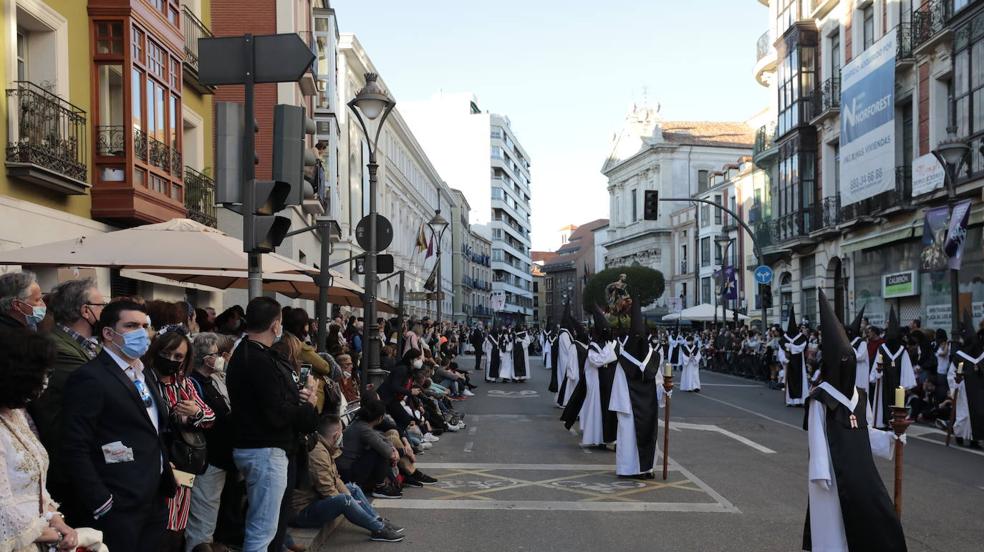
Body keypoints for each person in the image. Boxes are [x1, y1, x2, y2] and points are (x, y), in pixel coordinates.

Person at [60, 300, 177, 551]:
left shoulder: (144, 373)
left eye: (145, 326)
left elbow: (151, 428)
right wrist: (101, 501)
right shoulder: (90, 377)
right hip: (117, 501)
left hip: (153, 495)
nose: (142, 333)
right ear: (108, 333)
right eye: (132, 325)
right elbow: (74, 445)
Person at [803, 290, 905, 551]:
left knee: (875, 513)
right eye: (843, 361)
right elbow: (816, 437)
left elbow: (866, 432)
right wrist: (821, 472)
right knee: (833, 526)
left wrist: (891, 438)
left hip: (859, 470)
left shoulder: (860, 396)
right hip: (831, 476)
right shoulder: (820, 398)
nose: (848, 366)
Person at [226, 297, 318, 552]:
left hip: (263, 448)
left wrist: (298, 399)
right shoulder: (256, 359)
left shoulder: (250, 353)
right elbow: (276, 412)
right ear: (275, 325)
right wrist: (307, 404)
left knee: (269, 527)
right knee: (262, 530)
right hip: (265, 450)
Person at [0, 327, 104, 552]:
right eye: (42, 373)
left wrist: (56, 520)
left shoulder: (17, 414)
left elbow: (34, 485)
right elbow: (3, 509)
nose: (46, 381)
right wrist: (54, 534)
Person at [29, 278, 106, 511]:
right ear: (86, 310)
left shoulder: (89, 344)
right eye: (101, 305)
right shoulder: (57, 348)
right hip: (69, 465)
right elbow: (105, 386)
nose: (106, 311)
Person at [146, 328, 216, 552]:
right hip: (154, 464)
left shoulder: (183, 383)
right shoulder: (144, 379)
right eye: (167, 353)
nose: (171, 360)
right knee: (156, 527)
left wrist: (195, 412)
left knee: (177, 525)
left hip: (183, 464)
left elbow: (210, 416)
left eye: (178, 357)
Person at [290, 415, 405, 542]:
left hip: (314, 499)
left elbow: (336, 479)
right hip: (303, 512)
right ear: (335, 435)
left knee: (352, 488)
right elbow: (328, 492)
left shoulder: (324, 447)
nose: (342, 435)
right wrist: (350, 502)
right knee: (344, 500)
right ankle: (378, 529)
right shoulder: (318, 454)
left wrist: (350, 495)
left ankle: (378, 520)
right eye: (341, 432)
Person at [185, 333, 236, 552]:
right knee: (202, 518)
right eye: (217, 354)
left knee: (212, 512)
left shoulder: (214, 379)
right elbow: (209, 418)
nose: (221, 358)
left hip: (220, 457)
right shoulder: (193, 383)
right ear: (206, 359)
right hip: (207, 459)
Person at [609, 293, 663, 478]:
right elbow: (658, 382)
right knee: (639, 438)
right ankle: (636, 469)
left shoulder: (631, 361)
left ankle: (644, 468)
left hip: (635, 408)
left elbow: (658, 382)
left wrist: (665, 390)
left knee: (640, 439)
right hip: (640, 409)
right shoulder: (651, 358)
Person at [336, 399, 400, 498]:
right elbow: (386, 452)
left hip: (348, 468)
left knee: (381, 449)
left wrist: (393, 449)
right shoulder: (363, 429)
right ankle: (380, 487)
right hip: (348, 473)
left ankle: (384, 483)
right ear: (380, 418)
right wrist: (393, 452)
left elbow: (381, 438)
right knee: (377, 452)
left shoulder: (359, 423)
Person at [869, 308, 916, 429]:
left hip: (897, 384)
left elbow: (906, 369)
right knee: (884, 401)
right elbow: (875, 367)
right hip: (884, 383)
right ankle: (883, 422)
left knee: (896, 402)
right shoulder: (882, 349)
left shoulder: (901, 351)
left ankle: (895, 423)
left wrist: (905, 385)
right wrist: (877, 373)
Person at [947, 311, 983, 448]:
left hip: (978, 391)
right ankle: (960, 435)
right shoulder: (959, 356)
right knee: (964, 416)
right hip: (963, 390)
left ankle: (975, 439)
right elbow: (951, 373)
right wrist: (956, 382)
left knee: (979, 415)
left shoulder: (981, 355)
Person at [779, 306, 809, 407]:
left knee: (799, 381)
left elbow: (801, 347)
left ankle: (800, 400)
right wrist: (784, 359)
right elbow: (781, 351)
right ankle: (791, 401)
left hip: (799, 362)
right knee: (790, 382)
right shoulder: (785, 338)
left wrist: (789, 347)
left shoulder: (801, 338)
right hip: (790, 362)